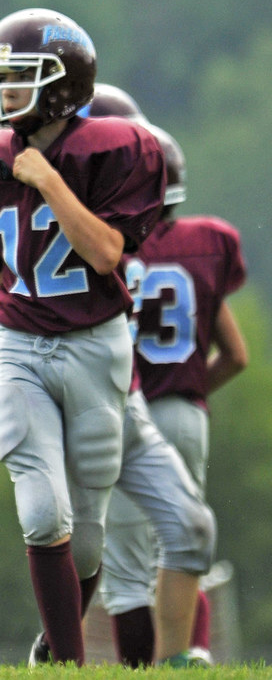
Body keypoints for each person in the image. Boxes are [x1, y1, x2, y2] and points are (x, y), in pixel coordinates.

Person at [0, 9, 169, 666]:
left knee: (89, 534)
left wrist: (47, 179)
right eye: (2, 79)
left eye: (20, 80)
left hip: (97, 344)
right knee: (43, 512)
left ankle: (52, 646)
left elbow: (105, 253)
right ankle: (68, 666)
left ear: (63, 84)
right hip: (19, 348)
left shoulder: (114, 149)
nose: (2, 94)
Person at [88, 87, 247, 666]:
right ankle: (192, 653)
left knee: (128, 564)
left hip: (125, 411)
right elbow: (235, 355)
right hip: (185, 410)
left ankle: (149, 666)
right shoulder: (208, 243)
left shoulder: (102, 248)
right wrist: (192, 385)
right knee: (184, 541)